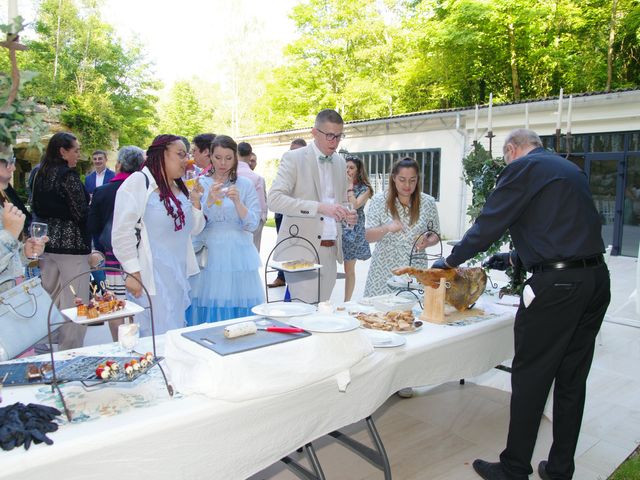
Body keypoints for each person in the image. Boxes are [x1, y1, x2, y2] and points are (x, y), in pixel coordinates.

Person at [431, 129, 610, 480]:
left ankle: (514, 468)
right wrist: (513, 257)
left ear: (512, 150)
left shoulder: (523, 168)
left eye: (505, 158)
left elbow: (488, 224)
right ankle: (560, 469)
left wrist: (450, 261)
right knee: (572, 379)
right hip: (595, 281)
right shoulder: (569, 170)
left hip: (557, 289)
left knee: (531, 375)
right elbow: (561, 232)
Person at [112, 135, 205, 336]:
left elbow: (193, 230)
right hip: (152, 276)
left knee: (174, 332)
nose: (186, 160)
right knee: (156, 337)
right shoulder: (139, 182)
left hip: (177, 274)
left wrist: (196, 202)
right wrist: (133, 272)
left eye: (187, 155)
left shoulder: (179, 186)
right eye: (180, 154)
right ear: (161, 155)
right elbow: (122, 231)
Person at [268, 110, 356, 303]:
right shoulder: (294, 158)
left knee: (322, 313)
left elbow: (340, 202)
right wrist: (318, 207)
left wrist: (348, 216)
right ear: (314, 133)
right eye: (330, 135)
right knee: (304, 314)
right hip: (301, 249)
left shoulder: (341, 162)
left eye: (339, 136)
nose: (334, 142)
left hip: (331, 250)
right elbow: (273, 199)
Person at [186, 135, 264, 324]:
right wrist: (209, 201)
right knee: (209, 299)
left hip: (238, 251)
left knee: (238, 298)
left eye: (228, 158)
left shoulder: (244, 184)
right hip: (209, 251)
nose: (223, 163)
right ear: (210, 156)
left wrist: (238, 202)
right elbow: (194, 225)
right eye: (218, 157)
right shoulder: (200, 183)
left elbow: (252, 224)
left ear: (235, 158)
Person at [32, 132, 91, 350]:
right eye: (75, 150)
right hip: (72, 247)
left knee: (51, 300)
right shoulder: (68, 175)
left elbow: (35, 207)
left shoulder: (40, 174)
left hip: (48, 245)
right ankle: (70, 354)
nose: (78, 154)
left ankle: (43, 348)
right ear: (62, 151)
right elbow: (81, 213)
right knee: (76, 305)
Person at [88, 146, 145, 340]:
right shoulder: (145, 189)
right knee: (139, 305)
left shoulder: (102, 191)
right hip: (140, 257)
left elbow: (93, 225)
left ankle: (117, 344)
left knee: (115, 306)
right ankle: (138, 344)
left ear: (119, 164)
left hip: (112, 257)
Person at [363, 157, 440, 297]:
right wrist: (387, 228)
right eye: (402, 179)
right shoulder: (379, 200)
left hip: (415, 267)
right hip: (384, 267)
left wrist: (427, 242)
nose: (407, 185)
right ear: (393, 178)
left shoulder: (428, 202)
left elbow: (436, 235)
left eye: (412, 180)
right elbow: (368, 236)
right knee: (379, 313)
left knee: (413, 312)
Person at [268, 138, 308, 289]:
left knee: (296, 252)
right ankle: (282, 276)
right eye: (290, 150)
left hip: (300, 218)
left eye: (295, 151)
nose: (292, 154)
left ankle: (292, 280)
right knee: (284, 247)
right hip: (282, 215)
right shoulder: (286, 166)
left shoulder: (307, 171)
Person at [342, 155, 373, 301]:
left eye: (351, 167)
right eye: (346, 167)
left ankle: (346, 302)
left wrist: (349, 187)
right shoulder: (337, 184)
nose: (348, 170)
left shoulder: (365, 189)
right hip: (337, 227)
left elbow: (353, 205)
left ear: (358, 170)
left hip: (353, 230)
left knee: (349, 269)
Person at [237, 142, 267, 251]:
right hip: (253, 221)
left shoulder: (229, 174)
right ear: (250, 156)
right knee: (253, 253)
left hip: (234, 222)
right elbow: (262, 204)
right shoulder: (257, 178)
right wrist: (263, 218)